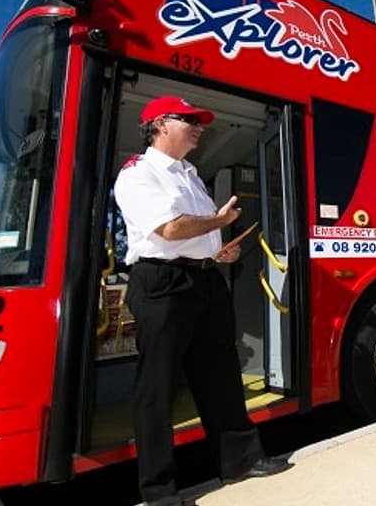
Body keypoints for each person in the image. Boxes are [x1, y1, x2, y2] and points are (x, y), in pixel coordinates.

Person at [114, 96, 289, 506]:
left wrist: (219, 249)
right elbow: (171, 230)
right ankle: (159, 491)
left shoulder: (191, 175)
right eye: (189, 120)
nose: (199, 127)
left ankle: (242, 461)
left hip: (205, 278)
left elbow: (195, 235)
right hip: (163, 282)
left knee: (220, 375)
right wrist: (220, 221)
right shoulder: (138, 173)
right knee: (157, 386)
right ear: (160, 124)